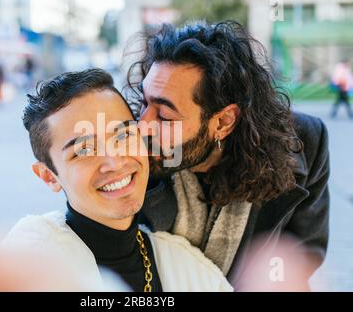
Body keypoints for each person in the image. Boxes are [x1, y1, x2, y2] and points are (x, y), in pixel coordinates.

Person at [126, 21, 330, 290]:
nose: (143, 124)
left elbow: (303, 252)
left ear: (223, 122)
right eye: (144, 102)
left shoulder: (304, 142)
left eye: (164, 116)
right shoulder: (133, 153)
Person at [0, 68, 231, 292]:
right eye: (84, 150)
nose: (115, 163)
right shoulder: (25, 271)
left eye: (123, 135)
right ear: (49, 176)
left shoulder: (190, 270)